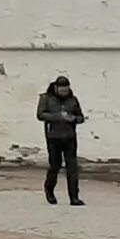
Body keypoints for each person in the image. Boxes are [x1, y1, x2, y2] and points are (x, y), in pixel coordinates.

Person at [38, 76, 86, 206]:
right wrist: (58, 116)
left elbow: (81, 117)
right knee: (55, 165)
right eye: (62, 90)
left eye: (66, 89)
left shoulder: (73, 100)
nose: (64, 92)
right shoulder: (46, 98)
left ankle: (74, 197)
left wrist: (74, 119)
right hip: (53, 137)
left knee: (72, 167)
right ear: (56, 88)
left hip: (70, 137)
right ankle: (49, 189)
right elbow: (40, 115)